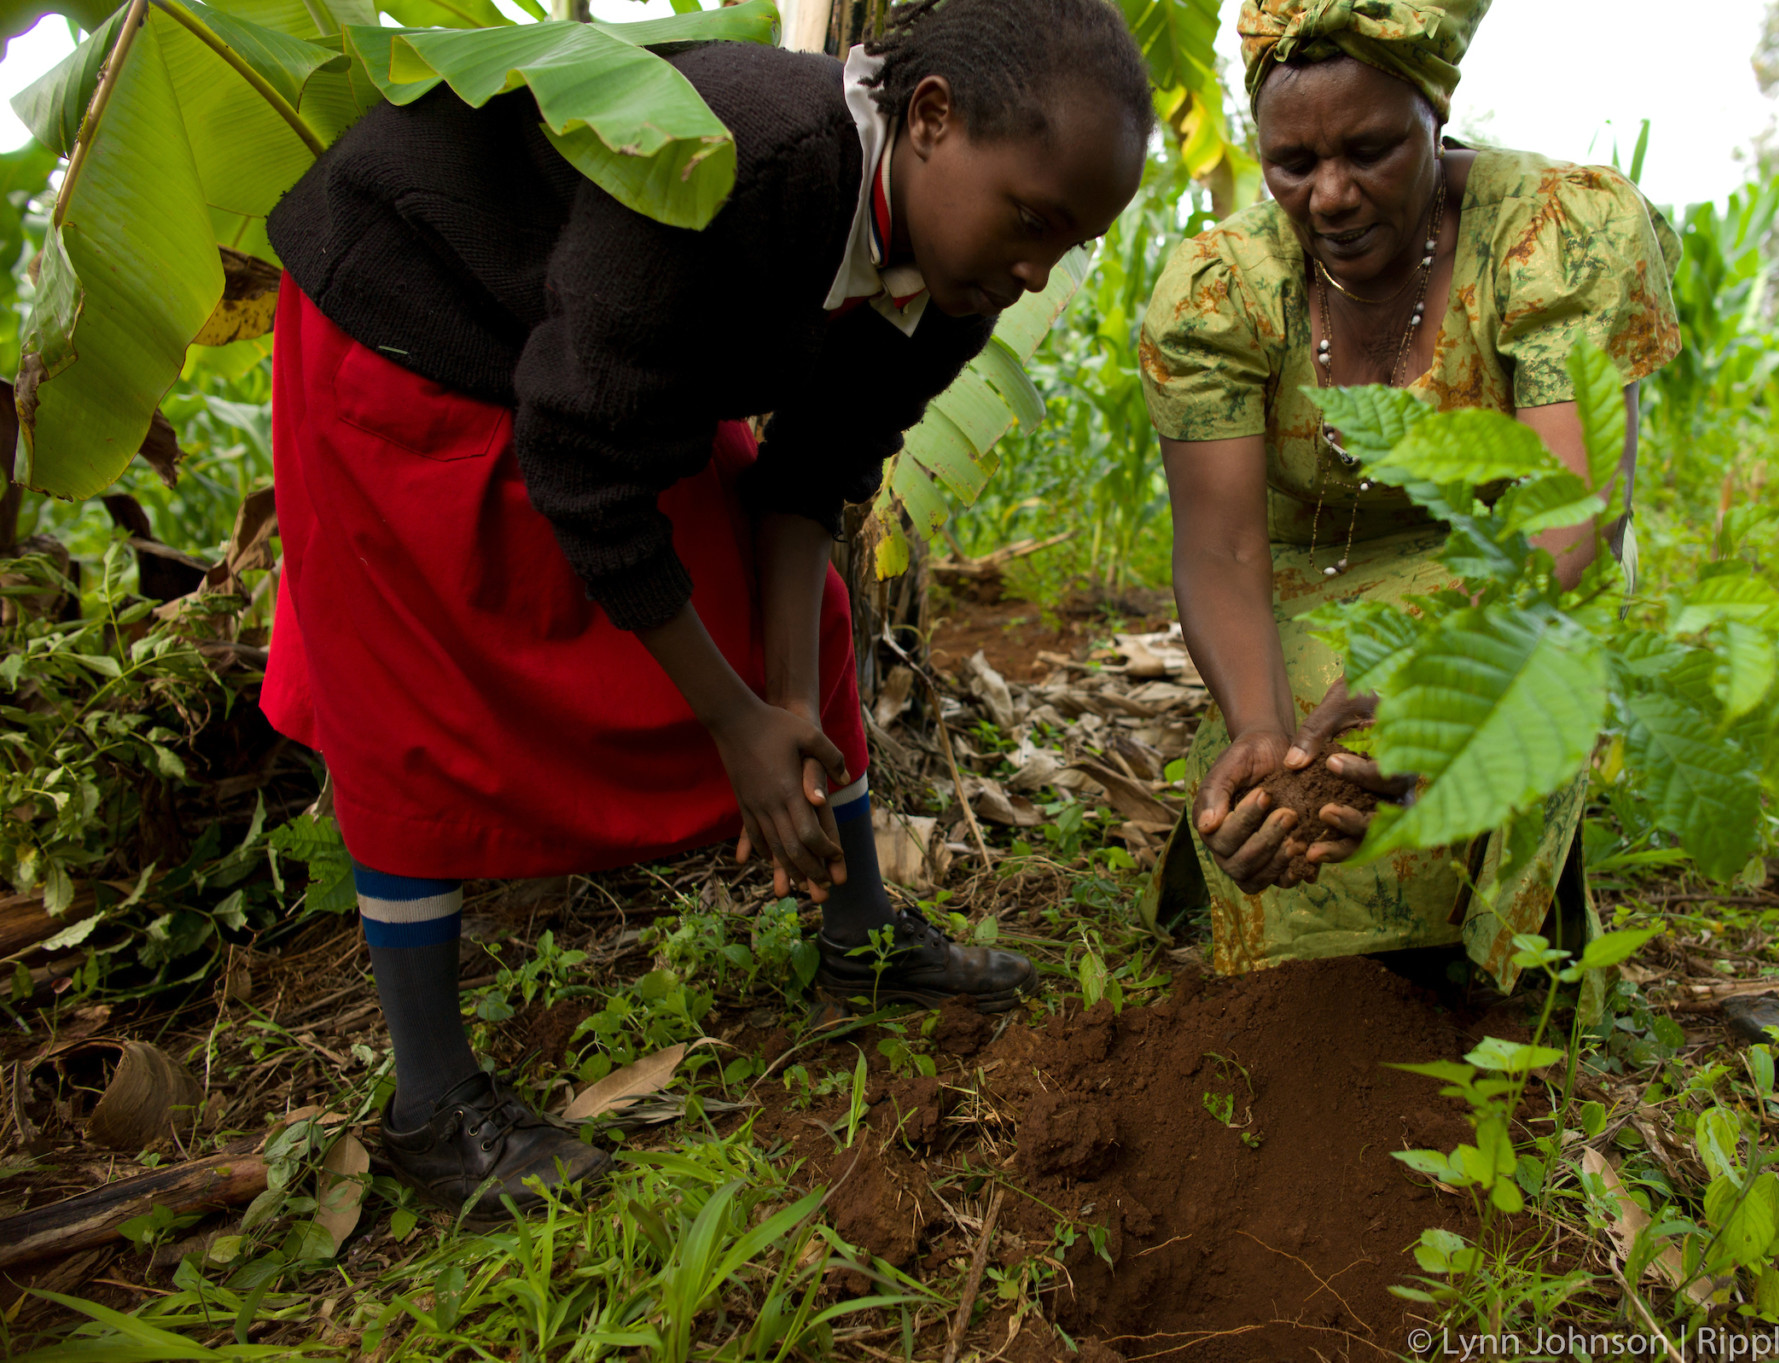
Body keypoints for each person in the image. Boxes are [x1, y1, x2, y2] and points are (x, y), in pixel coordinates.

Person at [260, 0, 1151, 1217]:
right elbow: (581, 458)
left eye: (1071, 244)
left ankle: (860, 934)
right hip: (409, 319)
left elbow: (807, 476)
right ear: (930, 121)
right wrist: (733, 723)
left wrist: (781, 699)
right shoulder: (747, 161)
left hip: (580, 355)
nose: (1036, 269)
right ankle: (430, 1103)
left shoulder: (959, 277)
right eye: (1032, 220)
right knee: (418, 699)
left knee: (813, 619)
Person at [1136, 0, 1681, 987]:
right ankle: (1316, 996)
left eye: (1371, 149)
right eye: (1292, 165)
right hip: (1307, 566)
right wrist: (1259, 727)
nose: (1331, 196)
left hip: (1506, 561)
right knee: (1296, 760)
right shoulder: (1222, 290)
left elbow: (1571, 512)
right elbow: (1219, 550)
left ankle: (1489, 964)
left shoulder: (1555, 234)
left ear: (1437, 113)